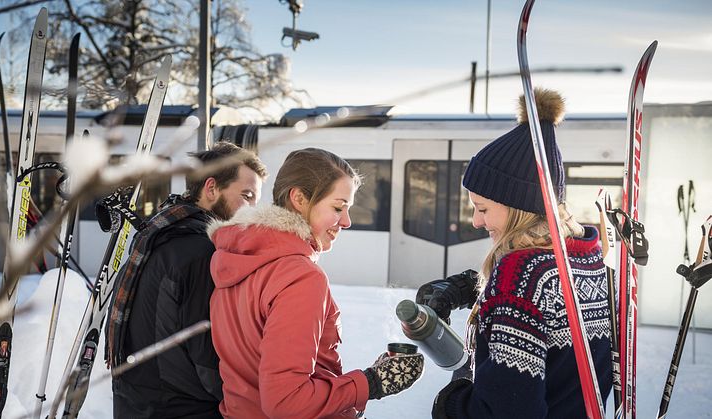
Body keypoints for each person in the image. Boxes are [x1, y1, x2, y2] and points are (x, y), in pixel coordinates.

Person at [420, 88, 612, 418]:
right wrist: (468, 288)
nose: (476, 221)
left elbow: (506, 409)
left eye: (482, 208)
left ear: (518, 207)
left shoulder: (521, 274)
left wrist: (450, 403)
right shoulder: (589, 262)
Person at [208, 147, 424, 418]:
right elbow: (286, 401)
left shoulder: (234, 259)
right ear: (299, 198)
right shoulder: (300, 277)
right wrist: (371, 383)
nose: (346, 221)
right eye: (338, 207)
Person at [105, 141, 268, 419]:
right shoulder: (202, 253)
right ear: (211, 188)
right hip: (183, 408)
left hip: (135, 402)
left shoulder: (160, 232)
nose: (253, 209)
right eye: (247, 195)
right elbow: (210, 358)